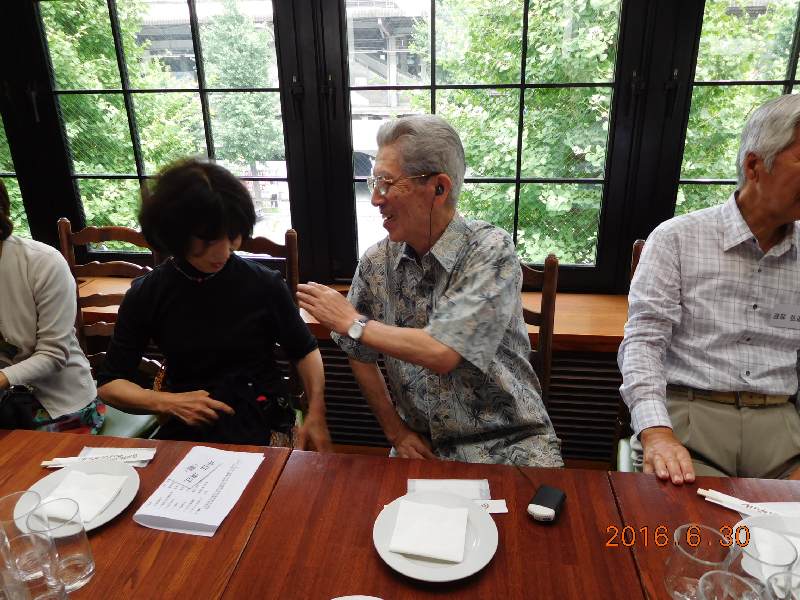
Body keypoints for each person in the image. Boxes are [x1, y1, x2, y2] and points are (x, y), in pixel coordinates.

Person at [298, 115, 562, 466]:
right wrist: (395, 432)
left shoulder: (489, 249)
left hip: (510, 442)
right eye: (374, 182)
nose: (375, 199)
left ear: (439, 188)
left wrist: (354, 323)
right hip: (423, 447)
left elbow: (442, 351)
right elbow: (357, 352)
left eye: (386, 183)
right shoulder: (376, 262)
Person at [619, 93, 800, 485]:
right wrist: (656, 432)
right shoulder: (677, 238)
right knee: (693, 522)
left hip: (783, 429)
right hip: (690, 420)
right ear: (754, 165)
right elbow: (643, 344)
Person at [97, 159, 331, 451]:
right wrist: (168, 402)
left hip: (262, 415)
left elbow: (305, 350)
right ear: (176, 235)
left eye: (231, 236)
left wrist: (316, 411)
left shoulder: (264, 283)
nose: (222, 252)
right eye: (207, 241)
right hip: (188, 421)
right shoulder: (148, 293)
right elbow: (110, 384)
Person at [0, 181, 105, 433]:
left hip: (61, 403)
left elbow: (53, 355)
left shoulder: (42, 262)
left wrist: (3, 378)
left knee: (19, 455)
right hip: (6, 403)